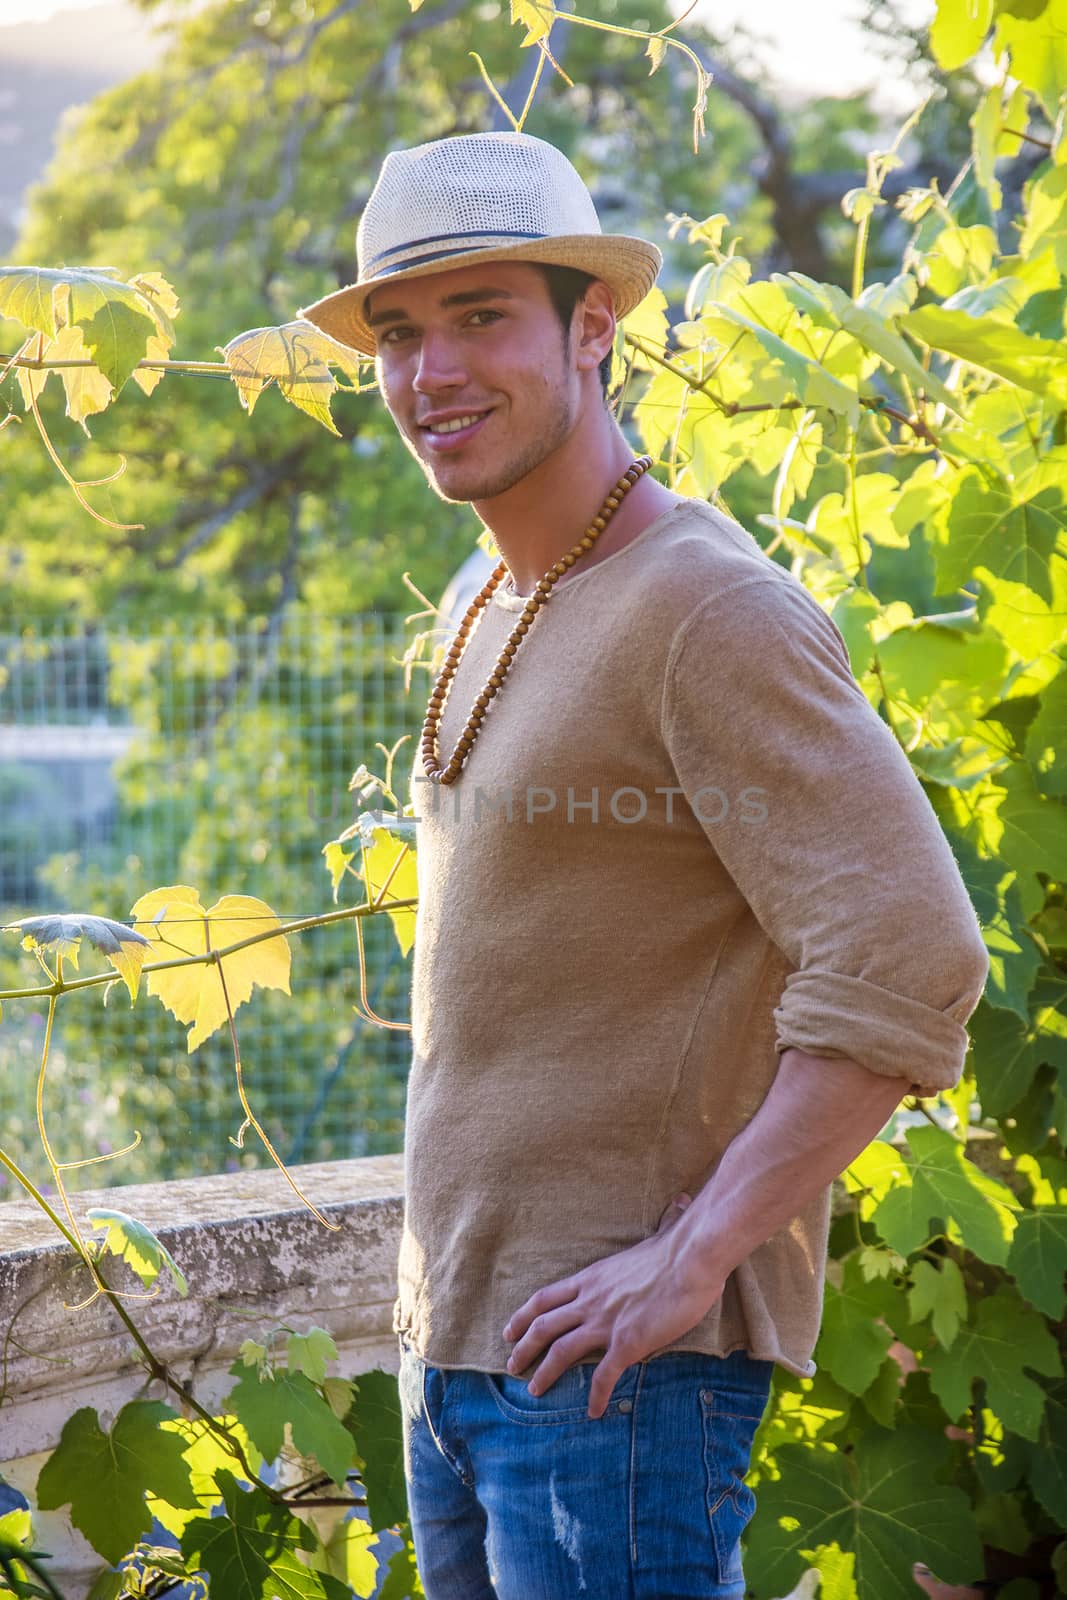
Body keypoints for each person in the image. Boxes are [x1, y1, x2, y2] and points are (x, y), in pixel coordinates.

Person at [300, 131, 990, 1599]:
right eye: (401, 334)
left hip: (622, 1385)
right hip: (460, 1358)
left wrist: (693, 1258)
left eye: (482, 317)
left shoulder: (707, 609)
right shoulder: (489, 594)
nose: (432, 374)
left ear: (594, 327)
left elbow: (913, 951)